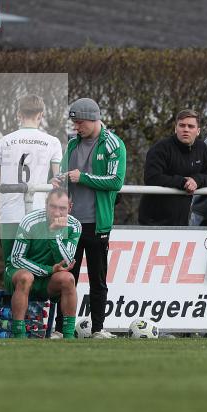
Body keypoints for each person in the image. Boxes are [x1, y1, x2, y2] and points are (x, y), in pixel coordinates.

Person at [52, 97, 126, 339]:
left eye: (80, 123)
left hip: (97, 223)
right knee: (66, 277)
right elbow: (66, 174)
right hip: (70, 224)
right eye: (74, 124)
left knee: (98, 278)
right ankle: (61, 330)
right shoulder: (72, 144)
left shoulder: (114, 144)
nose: (76, 128)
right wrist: (59, 180)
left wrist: (82, 177)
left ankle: (98, 329)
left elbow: (116, 182)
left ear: (94, 119)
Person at [0, 94, 63, 263]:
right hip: (38, 213)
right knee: (35, 264)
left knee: (11, 265)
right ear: (41, 115)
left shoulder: (4, 141)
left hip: (9, 213)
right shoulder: (52, 142)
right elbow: (58, 180)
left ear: (18, 114)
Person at [5, 189, 80, 339]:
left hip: (48, 279)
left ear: (70, 208)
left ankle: (69, 335)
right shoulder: (29, 221)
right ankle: (19, 335)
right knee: (26, 278)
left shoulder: (74, 225)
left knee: (68, 279)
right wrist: (48, 269)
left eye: (62, 208)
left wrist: (54, 235)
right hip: (21, 273)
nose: (57, 213)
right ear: (46, 205)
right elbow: (17, 258)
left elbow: (66, 262)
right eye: (53, 206)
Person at [138, 109, 207, 226]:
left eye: (191, 126)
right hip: (152, 221)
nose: (186, 129)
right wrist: (183, 182)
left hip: (181, 222)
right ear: (175, 128)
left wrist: (196, 180)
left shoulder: (202, 148)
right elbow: (151, 177)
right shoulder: (160, 148)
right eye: (182, 125)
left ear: (198, 131)